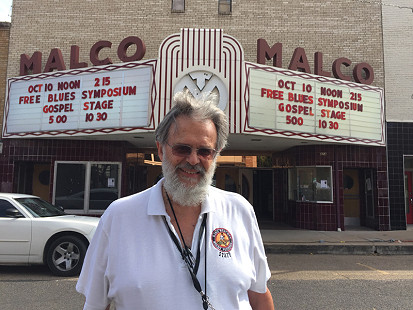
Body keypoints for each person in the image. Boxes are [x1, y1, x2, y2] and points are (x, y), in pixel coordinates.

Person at [76, 91, 274, 310]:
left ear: (215, 155)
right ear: (161, 150)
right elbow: (95, 305)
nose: (193, 160)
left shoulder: (240, 210)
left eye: (205, 151)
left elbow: (259, 296)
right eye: (182, 148)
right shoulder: (118, 217)